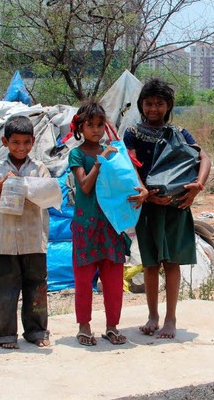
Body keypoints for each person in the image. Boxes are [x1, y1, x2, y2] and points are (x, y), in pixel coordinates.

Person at [124, 78, 211, 339]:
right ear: (141, 105)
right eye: (148, 103)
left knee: (172, 263)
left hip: (176, 206)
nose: (153, 109)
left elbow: (203, 157)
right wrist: (145, 194)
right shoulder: (132, 133)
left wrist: (197, 186)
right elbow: (129, 166)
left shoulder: (180, 133)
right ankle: (153, 316)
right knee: (150, 264)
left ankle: (171, 319)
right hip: (147, 208)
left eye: (159, 103)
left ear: (169, 105)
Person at [68, 100, 148, 346]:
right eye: (89, 125)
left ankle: (112, 326)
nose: (96, 129)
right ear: (80, 127)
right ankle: (84, 326)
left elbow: (128, 180)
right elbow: (85, 186)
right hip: (86, 226)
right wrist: (100, 161)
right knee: (83, 280)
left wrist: (142, 191)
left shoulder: (115, 150)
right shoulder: (77, 154)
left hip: (111, 226)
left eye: (100, 124)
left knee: (113, 280)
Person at [0, 115, 51, 349]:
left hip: (33, 238)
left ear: (33, 141)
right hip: (4, 240)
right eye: (15, 142)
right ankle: (5, 335)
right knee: (4, 291)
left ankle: (37, 331)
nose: (21, 148)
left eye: (26, 142)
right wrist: (3, 184)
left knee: (36, 287)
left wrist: (30, 186)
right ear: (4, 142)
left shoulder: (39, 169)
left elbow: (48, 198)